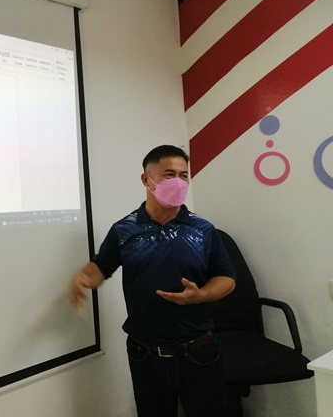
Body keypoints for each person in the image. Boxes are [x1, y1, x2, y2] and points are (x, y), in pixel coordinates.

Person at [70, 145, 236, 417]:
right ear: (146, 180)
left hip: (198, 352)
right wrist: (83, 279)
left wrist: (201, 295)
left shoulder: (203, 229)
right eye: (169, 174)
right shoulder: (124, 229)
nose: (178, 182)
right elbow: (101, 267)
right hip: (144, 355)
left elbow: (227, 279)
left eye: (184, 175)